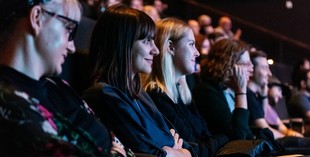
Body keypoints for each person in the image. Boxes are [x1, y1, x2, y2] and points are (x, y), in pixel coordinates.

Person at [0, 0, 127, 156]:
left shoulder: (59, 86)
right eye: (69, 29)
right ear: (37, 18)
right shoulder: (7, 100)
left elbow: (111, 136)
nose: (72, 47)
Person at [83, 5, 193, 157]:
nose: (156, 50)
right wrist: (174, 151)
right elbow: (150, 152)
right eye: (147, 41)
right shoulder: (103, 94)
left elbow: (176, 141)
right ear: (123, 43)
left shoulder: (139, 93)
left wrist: (173, 150)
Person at [143, 17, 228, 157]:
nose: (197, 52)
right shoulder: (156, 95)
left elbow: (204, 140)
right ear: (170, 47)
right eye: (191, 44)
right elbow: (193, 148)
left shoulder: (182, 93)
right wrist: (221, 139)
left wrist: (217, 140)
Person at [193, 39, 254, 140]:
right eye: (245, 64)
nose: (251, 69)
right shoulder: (206, 91)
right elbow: (238, 137)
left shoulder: (228, 91)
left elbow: (248, 135)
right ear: (227, 64)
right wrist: (241, 92)